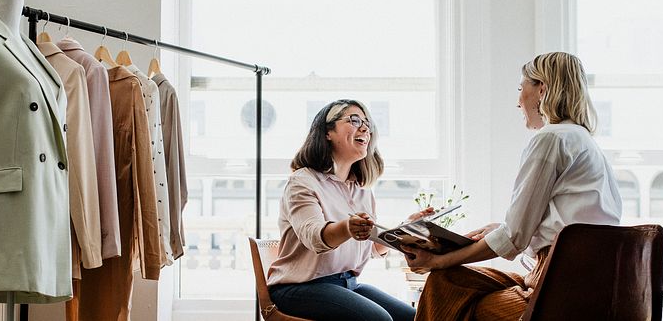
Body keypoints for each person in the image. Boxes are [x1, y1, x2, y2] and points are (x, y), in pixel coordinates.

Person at [403, 52, 623, 320]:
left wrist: (436, 261)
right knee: (450, 283)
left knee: (445, 287)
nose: (518, 101)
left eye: (521, 88)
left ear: (541, 89)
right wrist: (501, 229)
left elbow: (514, 238)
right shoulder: (583, 141)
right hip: (589, 283)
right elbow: (554, 225)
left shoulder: (551, 139)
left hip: (558, 288)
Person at [266, 99, 425, 321]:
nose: (365, 128)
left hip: (346, 284)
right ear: (327, 132)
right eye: (354, 120)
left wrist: (404, 229)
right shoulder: (303, 181)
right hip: (298, 288)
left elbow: (371, 248)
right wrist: (347, 228)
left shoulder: (362, 190)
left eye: (367, 123)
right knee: (379, 320)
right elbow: (314, 238)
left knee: (416, 317)